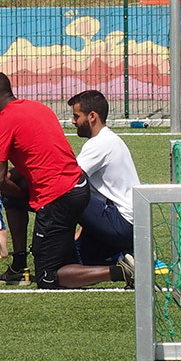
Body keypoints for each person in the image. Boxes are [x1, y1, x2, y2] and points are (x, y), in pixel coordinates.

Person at [0, 71, 131, 290]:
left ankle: (120, 271)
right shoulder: (38, 107)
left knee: (48, 278)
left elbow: (1, 180)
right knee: (15, 198)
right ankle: (19, 264)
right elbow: (34, 161)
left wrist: (26, 198)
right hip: (78, 190)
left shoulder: (1, 122)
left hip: (58, 197)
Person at [67, 90, 139, 269]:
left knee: (64, 191)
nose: (73, 121)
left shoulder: (100, 143)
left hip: (121, 223)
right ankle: (123, 255)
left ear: (92, 116)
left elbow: (69, 181)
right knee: (80, 261)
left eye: (77, 116)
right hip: (128, 224)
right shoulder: (109, 139)